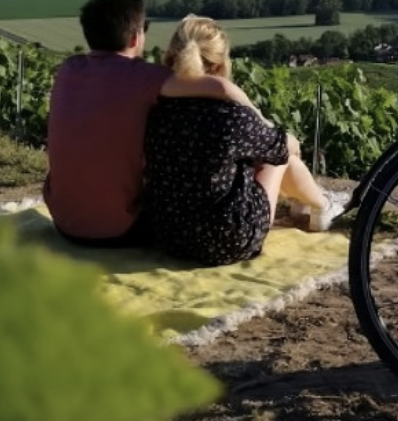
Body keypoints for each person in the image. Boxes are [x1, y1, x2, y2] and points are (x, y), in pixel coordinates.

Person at [44, 0, 262, 247]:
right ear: (136, 37)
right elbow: (220, 88)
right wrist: (259, 121)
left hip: (64, 222)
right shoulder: (145, 77)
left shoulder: (69, 68)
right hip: (120, 230)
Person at [140, 14, 343, 266]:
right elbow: (283, 147)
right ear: (219, 65)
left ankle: (306, 205)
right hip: (227, 241)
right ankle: (322, 206)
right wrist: (265, 122)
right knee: (281, 156)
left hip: (168, 236)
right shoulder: (231, 116)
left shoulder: (156, 109)